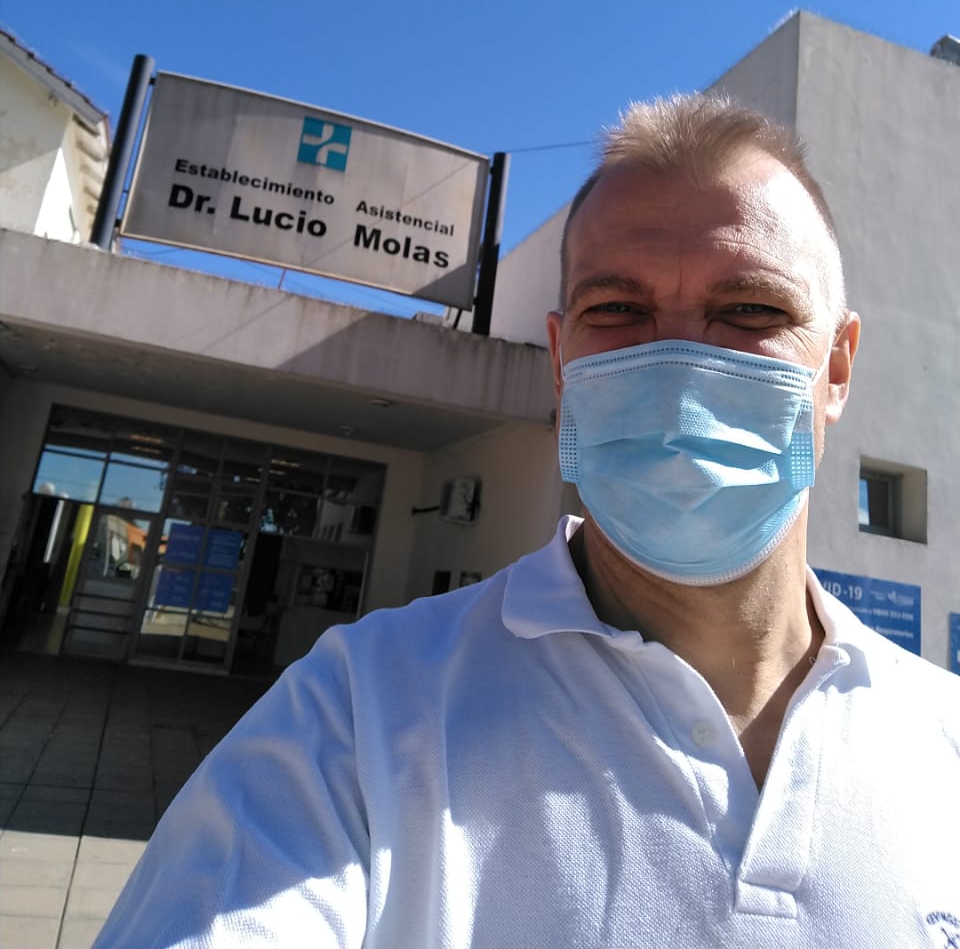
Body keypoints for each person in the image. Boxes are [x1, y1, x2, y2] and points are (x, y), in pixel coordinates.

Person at [94, 95, 960, 948]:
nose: (681, 369)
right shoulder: (358, 716)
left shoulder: (944, 737)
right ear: (560, 359)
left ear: (837, 367)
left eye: (752, 310)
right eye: (616, 309)